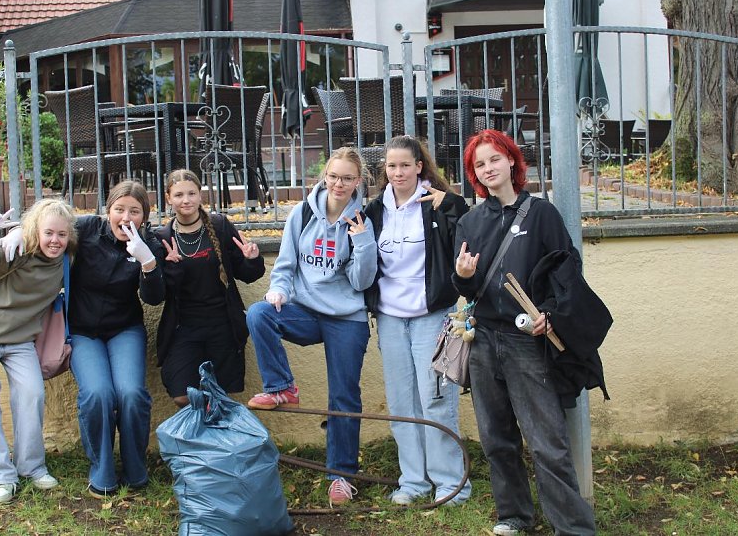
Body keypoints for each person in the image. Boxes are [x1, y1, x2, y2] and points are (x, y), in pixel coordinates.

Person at [452, 129, 596, 535]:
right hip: (482, 340)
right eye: (479, 164)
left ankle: (573, 527)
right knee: (497, 439)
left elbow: (568, 273)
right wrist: (461, 276)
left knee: (548, 443)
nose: (488, 168)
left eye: (494, 159)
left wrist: (549, 314)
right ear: (474, 173)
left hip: (526, 344)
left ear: (512, 161)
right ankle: (514, 515)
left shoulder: (542, 214)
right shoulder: (470, 221)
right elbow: (465, 287)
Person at [3, 181, 167, 497]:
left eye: (135, 211)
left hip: (124, 330)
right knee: (98, 394)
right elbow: (50, 227)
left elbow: (155, 298)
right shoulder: (88, 229)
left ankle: (135, 468)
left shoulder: (149, 244)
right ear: (108, 211)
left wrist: (148, 263)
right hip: (82, 331)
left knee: (131, 393)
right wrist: (18, 233)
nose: (126, 218)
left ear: (144, 216)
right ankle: (102, 470)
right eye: (119, 210)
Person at [245, 146, 377, 506]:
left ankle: (341, 476)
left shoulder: (363, 219)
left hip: (346, 318)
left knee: (343, 396)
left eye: (347, 178)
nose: (339, 183)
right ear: (325, 176)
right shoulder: (301, 213)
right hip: (305, 311)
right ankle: (282, 387)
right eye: (333, 176)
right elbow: (285, 266)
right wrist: (277, 291)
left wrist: (362, 241)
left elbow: (362, 283)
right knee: (258, 314)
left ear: (358, 182)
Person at [363, 135, 471, 506]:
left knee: (436, 399)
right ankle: (413, 482)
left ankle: (450, 483)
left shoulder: (437, 204)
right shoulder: (375, 210)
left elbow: (472, 231)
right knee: (401, 402)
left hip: (431, 315)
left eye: (405, 165)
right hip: (391, 319)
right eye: (391, 167)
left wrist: (454, 203)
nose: (398, 172)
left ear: (419, 167)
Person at [0, 199, 77, 504]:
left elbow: (95, 223)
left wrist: (22, 228)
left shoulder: (66, 260)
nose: (55, 240)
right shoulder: (18, 250)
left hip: (21, 340)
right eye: (48, 232)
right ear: (37, 230)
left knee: (32, 394)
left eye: (62, 235)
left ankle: (31, 467)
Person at [156, 169, 265, 407]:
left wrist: (252, 259)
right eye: (179, 195)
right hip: (183, 328)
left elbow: (248, 275)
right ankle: (199, 439)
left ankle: (216, 444)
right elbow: (158, 294)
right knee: (183, 396)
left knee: (220, 396)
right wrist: (172, 268)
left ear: (200, 195)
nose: (186, 200)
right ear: (168, 198)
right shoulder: (162, 237)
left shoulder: (219, 226)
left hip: (222, 324)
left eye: (192, 193)